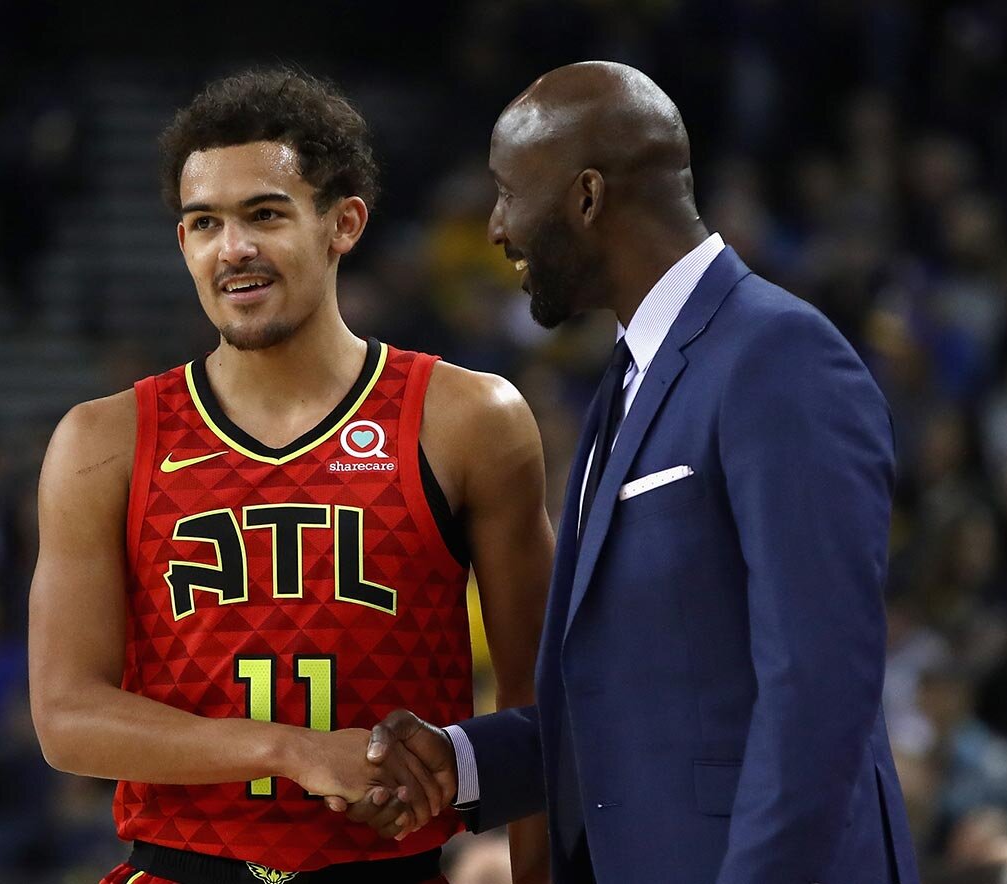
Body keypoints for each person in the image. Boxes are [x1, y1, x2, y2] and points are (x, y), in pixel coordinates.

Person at [346, 61, 920, 882]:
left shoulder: (778, 356)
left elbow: (820, 691)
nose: (496, 228)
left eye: (508, 193)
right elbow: (632, 709)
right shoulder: (624, 378)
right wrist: (461, 762)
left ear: (586, 198)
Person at [29, 69, 554, 884]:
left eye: (264, 215)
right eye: (204, 223)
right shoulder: (103, 441)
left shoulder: (468, 418)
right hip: (178, 866)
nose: (232, 249)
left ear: (344, 223)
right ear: (183, 245)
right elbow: (66, 718)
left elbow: (534, 701)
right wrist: (293, 751)